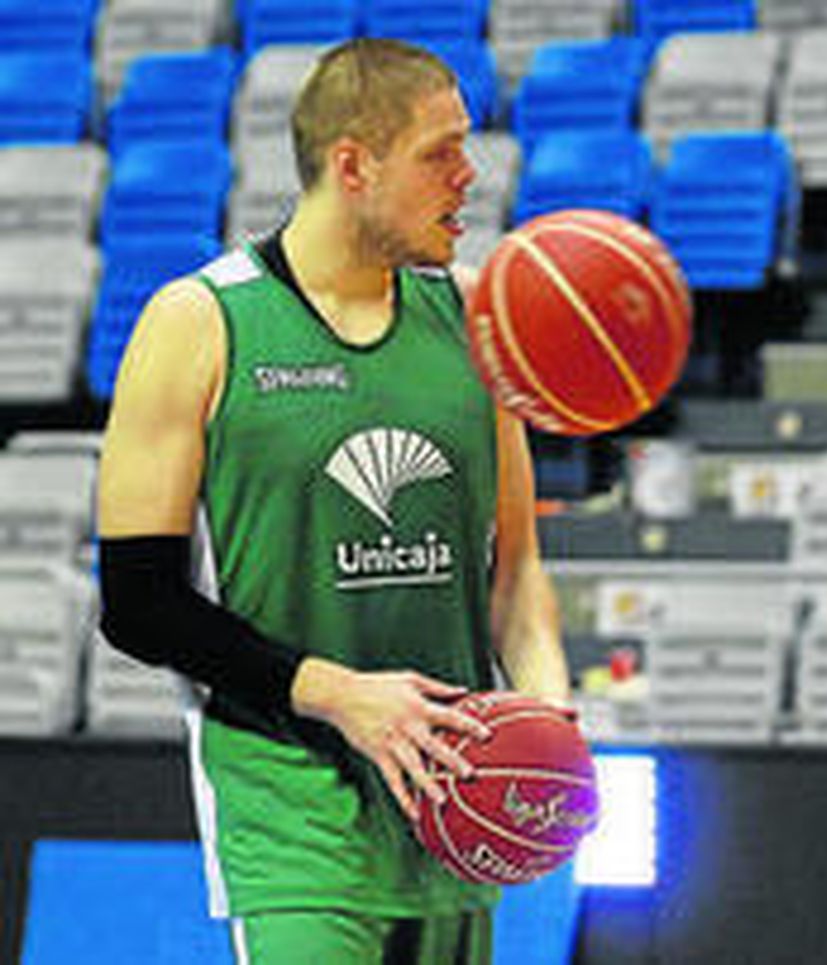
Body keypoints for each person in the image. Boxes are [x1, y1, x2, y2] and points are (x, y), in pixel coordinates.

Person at [96, 39, 571, 964]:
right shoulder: (199, 322)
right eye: (440, 152)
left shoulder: (477, 319)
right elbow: (139, 604)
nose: (469, 175)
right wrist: (343, 696)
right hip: (292, 805)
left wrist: (546, 718)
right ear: (353, 166)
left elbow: (515, 572)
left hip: (451, 803)